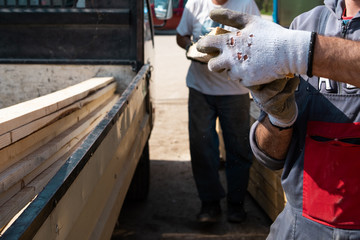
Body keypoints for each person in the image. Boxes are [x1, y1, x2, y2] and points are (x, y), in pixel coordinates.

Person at [196, 0, 360, 239]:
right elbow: (270, 155)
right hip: (300, 225)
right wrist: (279, 119)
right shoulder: (305, 25)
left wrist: (300, 50)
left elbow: (298, 48)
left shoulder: (297, 39)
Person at [176, 0, 260, 223]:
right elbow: (181, 35)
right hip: (200, 89)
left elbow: (259, 39)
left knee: (239, 149)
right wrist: (191, 48)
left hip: (235, 91)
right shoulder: (194, 3)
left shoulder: (246, 4)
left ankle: (236, 204)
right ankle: (210, 204)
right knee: (203, 148)